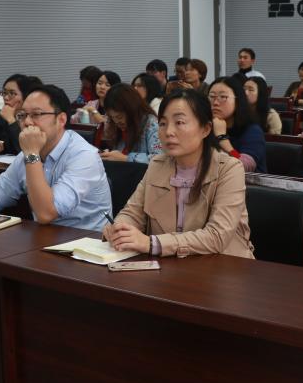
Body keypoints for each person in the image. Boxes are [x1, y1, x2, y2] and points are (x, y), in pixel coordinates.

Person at [103, 89, 255, 258]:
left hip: (223, 266)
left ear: (205, 129)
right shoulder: (157, 165)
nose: (169, 131)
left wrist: (152, 243)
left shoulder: (229, 169)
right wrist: (119, 227)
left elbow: (217, 236)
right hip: (168, 265)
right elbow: (133, 212)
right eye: (163, 123)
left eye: (180, 122)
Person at [0, 85, 112, 230]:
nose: (26, 122)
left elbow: (46, 214)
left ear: (61, 119)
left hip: (87, 242)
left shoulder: (84, 156)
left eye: (36, 114)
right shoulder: (27, 153)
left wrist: (32, 154)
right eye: (22, 115)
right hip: (45, 239)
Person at [208, 76, 266, 172]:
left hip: (247, 181)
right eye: (212, 97)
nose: (215, 102)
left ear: (238, 100)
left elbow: (243, 164)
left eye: (223, 97)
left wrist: (222, 138)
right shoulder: (206, 126)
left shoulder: (253, 131)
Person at [100, 83, 162, 163]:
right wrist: (110, 155)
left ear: (131, 110)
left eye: (119, 117)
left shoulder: (151, 124)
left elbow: (160, 159)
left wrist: (126, 158)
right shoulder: (118, 127)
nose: (116, 122)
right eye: (112, 117)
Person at [0, 74, 40, 155]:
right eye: (4, 93)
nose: (6, 98)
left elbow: (29, 153)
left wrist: (11, 121)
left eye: (12, 93)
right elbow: (14, 150)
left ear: (25, 95)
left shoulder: (36, 118)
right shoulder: (6, 117)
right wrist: (0, 150)